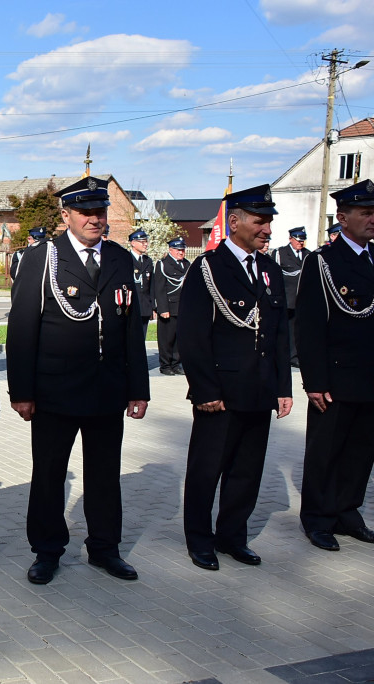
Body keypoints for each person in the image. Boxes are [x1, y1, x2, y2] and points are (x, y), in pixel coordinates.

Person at [7, 176, 150, 584]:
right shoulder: (43, 258)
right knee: (50, 474)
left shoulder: (121, 259)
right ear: (65, 214)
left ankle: (105, 548)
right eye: (85, 212)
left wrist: (139, 388)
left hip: (108, 389)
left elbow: (131, 331)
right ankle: (47, 550)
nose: (94, 219)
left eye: (100, 211)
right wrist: (23, 392)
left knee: (105, 475)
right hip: (56, 390)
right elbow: (21, 329)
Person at [178, 184, 293, 571]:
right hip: (221, 393)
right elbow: (192, 335)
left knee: (247, 471)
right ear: (235, 222)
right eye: (260, 222)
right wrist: (205, 388)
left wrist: (283, 388)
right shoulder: (208, 268)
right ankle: (200, 540)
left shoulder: (270, 269)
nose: (267, 230)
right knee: (206, 470)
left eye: (268, 222)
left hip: (259, 388)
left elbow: (278, 334)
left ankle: (232, 536)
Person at [295, 179, 374, 551]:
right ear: (342, 217)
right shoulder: (323, 262)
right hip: (336, 377)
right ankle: (318, 518)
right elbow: (308, 327)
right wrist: (315, 381)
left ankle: (348, 513)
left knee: (360, 450)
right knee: (326, 450)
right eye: (365, 213)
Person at [273, 227, 310, 368]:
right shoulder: (281, 253)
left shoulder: (307, 254)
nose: (301, 243)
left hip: (301, 300)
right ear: (291, 239)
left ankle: (295, 355)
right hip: (287, 300)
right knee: (286, 329)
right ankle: (287, 355)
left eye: (302, 241)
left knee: (299, 330)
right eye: (298, 240)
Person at [153, 236, 190, 375]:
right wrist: (162, 309)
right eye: (178, 250)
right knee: (166, 339)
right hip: (168, 307)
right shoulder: (163, 264)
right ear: (171, 250)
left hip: (182, 307)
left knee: (178, 338)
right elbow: (160, 288)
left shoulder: (186, 264)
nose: (181, 252)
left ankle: (176, 363)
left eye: (182, 250)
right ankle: (165, 365)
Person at [128, 229, 155, 339]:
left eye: (146, 241)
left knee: (142, 337)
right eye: (142, 242)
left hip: (144, 307)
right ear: (133, 243)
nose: (145, 244)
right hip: (131, 306)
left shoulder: (148, 261)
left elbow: (151, 286)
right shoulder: (127, 259)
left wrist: (153, 306)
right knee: (131, 337)